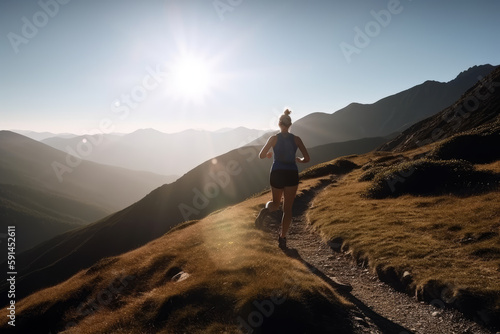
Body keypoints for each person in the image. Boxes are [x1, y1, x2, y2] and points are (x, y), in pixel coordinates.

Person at [255, 109, 310, 249]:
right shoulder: (297, 139)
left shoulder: (273, 138)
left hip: (277, 172)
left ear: (279, 124)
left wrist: (268, 155)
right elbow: (307, 158)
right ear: (290, 124)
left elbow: (261, 155)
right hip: (291, 173)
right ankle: (282, 237)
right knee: (288, 209)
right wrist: (298, 159)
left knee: (275, 203)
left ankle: (266, 211)